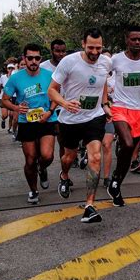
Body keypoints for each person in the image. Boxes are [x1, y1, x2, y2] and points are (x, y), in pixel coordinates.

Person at [48, 28, 112, 223]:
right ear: (83, 44)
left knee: (95, 156)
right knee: (69, 156)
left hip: (94, 117)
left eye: (98, 48)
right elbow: (52, 90)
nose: (95, 52)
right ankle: (64, 175)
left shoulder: (106, 62)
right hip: (70, 119)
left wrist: (105, 104)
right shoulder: (69, 62)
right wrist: (64, 103)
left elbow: (103, 84)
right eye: (91, 47)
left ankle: (90, 205)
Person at [107, 26, 140, 207]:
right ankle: (116, 176)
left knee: (128, 150)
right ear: (126, 40)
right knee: (128, 144)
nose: (137, 42)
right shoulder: (116, 59)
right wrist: (105, 101)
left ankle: (116, 182)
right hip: (120, 107)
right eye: (133, 39)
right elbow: (103, 78)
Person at [2, 44, 58, 204]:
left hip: (47, 120)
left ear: (41, 59)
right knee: (30, 160)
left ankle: (43, 168)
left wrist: (50, 112)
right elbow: (5, 100)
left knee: (47, 156)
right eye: (30, 58)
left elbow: (56, 96)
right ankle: (33, 191)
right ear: (24, 59)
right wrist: (16, 107)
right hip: (26, 122)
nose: (34, 61)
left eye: (37, 58)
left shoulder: (50, 75)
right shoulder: (15, 78)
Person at [40, 39, 67, 157]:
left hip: (64, 107)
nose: (60, 54)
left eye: (63, 51)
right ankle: (42, 162)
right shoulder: (43, 67)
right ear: (52, 51)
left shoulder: (68, 64)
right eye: (57, 51)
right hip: (48, 109)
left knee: (63, 140)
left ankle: (64, 168)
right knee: (46, 147)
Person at [101, 49, 115, 188]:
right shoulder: (92, 72)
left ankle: (106, 177)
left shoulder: (116, 76)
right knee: (93, 149)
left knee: (107, 144)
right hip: (89, 114)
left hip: (108, 113)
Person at [0, 63, 15, 130]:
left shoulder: (15, 77)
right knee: (5, 115)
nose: (10, 70)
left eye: (12, 68)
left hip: (13, 97)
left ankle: (10, 128)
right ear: (7, 69)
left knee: (11, 115)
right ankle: (3, 120)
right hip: (3, 97)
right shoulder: (3, 77)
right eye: (9, 68)